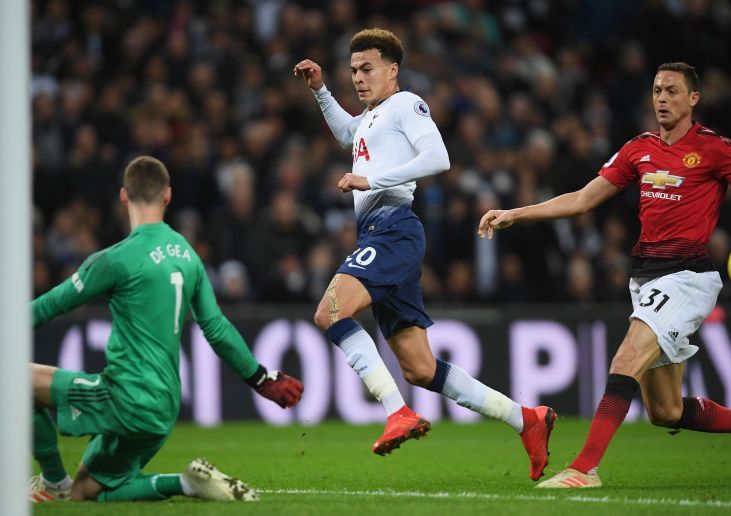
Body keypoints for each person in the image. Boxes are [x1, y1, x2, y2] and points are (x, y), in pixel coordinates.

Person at [479, 62, 731, 488]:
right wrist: (516, 213)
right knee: (666, 412)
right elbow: (585, 198)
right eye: (657, 90)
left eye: (672, 91)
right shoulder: (639, 149)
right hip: (645, 278)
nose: (661, 98)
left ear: (693, 99)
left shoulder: (715, 149)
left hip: (688, 276)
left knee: (625, 358)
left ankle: (584, 469)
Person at [293, 28, 556, 481]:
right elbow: (347, 134)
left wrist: (371, 181)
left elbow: (439, 157)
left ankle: (397, 413)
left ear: (392, 70)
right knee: (419, 367)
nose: (358, 77)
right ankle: (526, 420)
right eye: (353, 70)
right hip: (379, 234)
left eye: (367, 68)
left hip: (394, 229)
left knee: (330, 312)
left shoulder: (406, 104)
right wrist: (320, 89)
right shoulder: (372, 118)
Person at [30, 156, 304, 503]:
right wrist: (260, 378)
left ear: (124, 197)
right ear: (168, 195)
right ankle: (185, 484)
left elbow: (48, 306)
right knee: (85, 491)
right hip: (164, 405)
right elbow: (216, 328)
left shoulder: (115, 259)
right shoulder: (187, 255)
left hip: (127, 396)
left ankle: (53, 484)